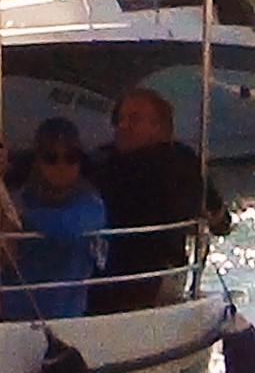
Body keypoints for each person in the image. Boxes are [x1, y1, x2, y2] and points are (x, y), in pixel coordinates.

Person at [93, 84, 232, 312]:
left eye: (134, 119)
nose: (122, 126)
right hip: (110, 268)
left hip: (154, 270)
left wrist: (210, 217)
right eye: (119, 119)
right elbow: (221, 222)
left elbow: (220, 220)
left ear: (160, 126)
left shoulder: (178, 162)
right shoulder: (105, 160)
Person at [3, 114, 112, 319]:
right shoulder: (21, 198)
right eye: (50, 157)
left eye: (71, 157)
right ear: (37, 161)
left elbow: (67, 229)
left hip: (66, 319)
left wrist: (17, 215)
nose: (61, 165)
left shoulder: (91, 203)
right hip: (10, 317)